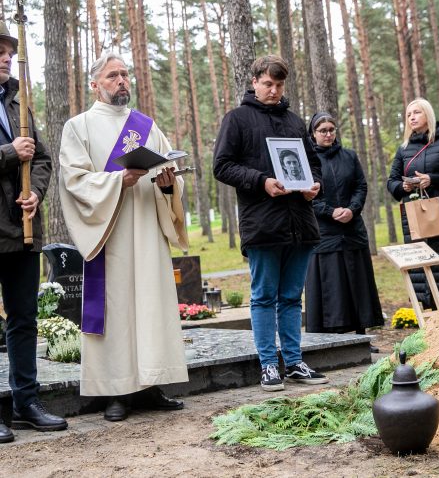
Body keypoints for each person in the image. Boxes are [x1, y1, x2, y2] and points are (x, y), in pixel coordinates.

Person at [59, 52, 189, 422]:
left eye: (125, 75)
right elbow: (74, 181)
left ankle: (151, 383)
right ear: (94, 84)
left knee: (150, 305)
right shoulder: (78, 127)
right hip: (109, 233)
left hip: (147, 228)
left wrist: (168, 185)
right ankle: (116, 390)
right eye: (113, 75)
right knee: (117, 309)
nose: (122, 81)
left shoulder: (146, 125)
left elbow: (169, 170)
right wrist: (118, 180)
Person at [213, 55, 328, 391]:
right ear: (254, 82)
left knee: (292, 296)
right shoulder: (237, 120)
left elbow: (312, 163)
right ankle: (267, 365)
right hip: (262, 224)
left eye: (279, 85)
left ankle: (293, 362)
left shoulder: (295, 122)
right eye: (268, 84)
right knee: (264, 296)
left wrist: (314, 187)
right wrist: (261, 180)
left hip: (300, 223)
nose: (274, 90)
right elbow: (222, 166)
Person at [0, 22, 67, 443]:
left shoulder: (18, 107)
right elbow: (19, 153)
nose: (6, 57)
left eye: (8, 51)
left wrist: (36, 194)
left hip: (21, 229)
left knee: (24, 319)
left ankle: (26, 403)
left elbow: (41, 158)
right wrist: (8, 153)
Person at [304, 112, 384, 348]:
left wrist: (352, 208)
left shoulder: (349, 156)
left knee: (357, 284)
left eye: (331, 129)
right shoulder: (308, 161)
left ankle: (361, 336)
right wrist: (330, 211)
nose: (328, 134)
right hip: (324, 232)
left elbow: (360, 185)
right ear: (313, 134)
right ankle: (334, 341)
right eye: (323, 130)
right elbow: (307, 195)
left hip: (352, 229)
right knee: (332, 288)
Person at [387, 98, 439, 308]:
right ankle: (424, 310)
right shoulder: (403, 148)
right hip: (413, 216)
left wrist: (433, 180)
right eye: (408, 114)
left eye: (417, 112)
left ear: (428, 115)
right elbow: (391, 180)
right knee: (418, 264)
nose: (412, 117)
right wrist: (402, 187)